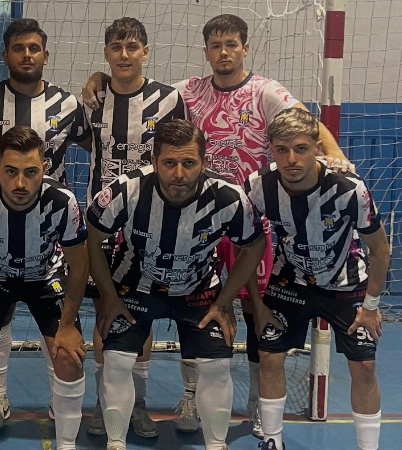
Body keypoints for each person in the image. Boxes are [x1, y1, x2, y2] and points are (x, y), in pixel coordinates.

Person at [82, 13, 354, 437]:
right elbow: (134, 85)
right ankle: (191, 396)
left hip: (249, 215)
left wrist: (333, 151)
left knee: (254, 308)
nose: (224, 52)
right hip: (194, 216)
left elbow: (305, 121)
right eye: (216, 45)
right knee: (195, 304)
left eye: (231, 44)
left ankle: (258, 404)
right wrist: (100, 77)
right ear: (206, 51)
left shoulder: (265, 91)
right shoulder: (188, 91)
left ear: (245, 48)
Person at [87, 119, 266, 450]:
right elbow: (92, 239)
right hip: (135, 287)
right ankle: (116, 443)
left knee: (217, 365)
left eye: (189, 163)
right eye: (169, 163)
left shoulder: (229, 198)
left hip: (199, 289)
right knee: (117, 360)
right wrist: (109, 297)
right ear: (154, 161)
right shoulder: (125, 191)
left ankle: (217, 445)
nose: (179, 174)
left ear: (205, 162)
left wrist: (224, 301)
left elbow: (254, 246)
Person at [0, 18, 90, 427]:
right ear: (6, 55)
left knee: (62, 340)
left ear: (45, 54)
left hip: (48, 232)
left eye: (34, 48)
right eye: (18, 48)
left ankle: (60, 408)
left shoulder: (69, 105)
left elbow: (94, 143)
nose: (27, 55)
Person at [244, 108, 389, 450]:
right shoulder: (258, 186)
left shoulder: (349, 188)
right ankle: (272, 440)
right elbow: (247, 246)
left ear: (317, 148)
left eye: (301, 149)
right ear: (271, 150)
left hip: (347, 285)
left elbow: (380, 249)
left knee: (365, 366)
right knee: (269, 357)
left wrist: (371, 306)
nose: (291, 159)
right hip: (290, 282)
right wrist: (257, 303)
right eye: (281, 150)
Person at [0, 126, 88, 450]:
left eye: (30, 172)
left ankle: (67, 444)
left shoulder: (63, 202)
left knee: (69, 357)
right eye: (11, 171)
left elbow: (80, 266)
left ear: (45, 168)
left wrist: (68, 325)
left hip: (45, 274)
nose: (20, 183)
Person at [79, 17, 187, 438]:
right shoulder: (92, 99)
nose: (124, 54)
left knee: (141, 315)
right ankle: (104, 404)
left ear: (145, 51)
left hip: (151, 224)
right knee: (105, 312)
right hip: (102, 226)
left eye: (132, 47)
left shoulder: (168, 99)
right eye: (116, 47)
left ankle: (137, 405)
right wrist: (95, 79)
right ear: (106, 53)